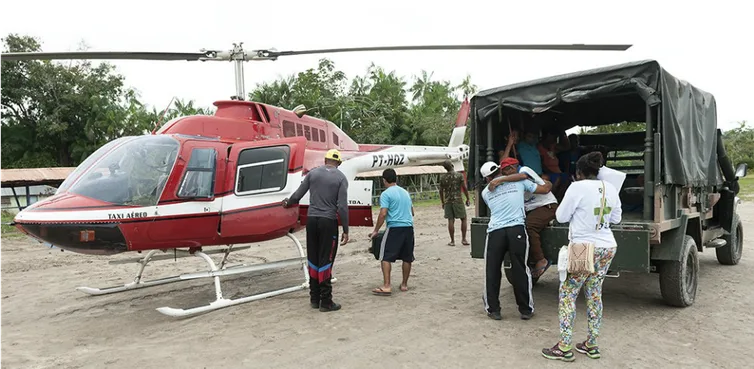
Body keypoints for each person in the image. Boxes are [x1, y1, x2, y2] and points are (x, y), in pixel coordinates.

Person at [541, 152, 622, 362]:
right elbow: (616, 218)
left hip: (583, 246)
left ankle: (564, 346)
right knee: (594, 294)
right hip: (607, 246)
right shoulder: (610, 188)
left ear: (578, 172)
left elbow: (561, 216)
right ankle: (591, 344)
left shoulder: (576, 187)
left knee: (568, 294)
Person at [480, 158, 552, 321]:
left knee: (492, 270)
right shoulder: (520, 183)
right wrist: (548, 183)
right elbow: (542, 189)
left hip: (495, 232)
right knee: (520, 269)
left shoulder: (485, 192)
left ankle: (493, 309)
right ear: (500, 170)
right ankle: (525, 310)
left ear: (487, 179)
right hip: (516, 230)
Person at [282, 149, 349, 312]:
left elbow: (297, 195)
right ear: (339, 163)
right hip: (328, 222)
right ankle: (326, 302)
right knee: (326, 259)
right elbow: (342, 207)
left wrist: (287, 202)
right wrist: (346, 229)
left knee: (313, 258)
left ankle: (314, 298)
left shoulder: (312, 174)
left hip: (311, 221)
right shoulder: (341, 178)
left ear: (325, 160)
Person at [368, 168, 415, 296]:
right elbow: (412, 212)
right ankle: (404, 284)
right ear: (396, 179)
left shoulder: (386, 194)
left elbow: (383, 213)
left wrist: (376, 230)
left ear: (384, 180)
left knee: (385, 256)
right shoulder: (405, 192)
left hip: (394, 228)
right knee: (407, 257)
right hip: (409, 227)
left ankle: (387, 286)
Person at [439, 160, 471, 246]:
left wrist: (442, 202)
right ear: (452, 165)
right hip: (458, 200)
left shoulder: (443, 177)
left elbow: (441, 191)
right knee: (463, 218)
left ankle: (452, 241)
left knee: (450, 220)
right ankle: (463, 239)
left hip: (448, 201)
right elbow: (464, 188)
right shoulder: (459, 175)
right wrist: (468, 198)